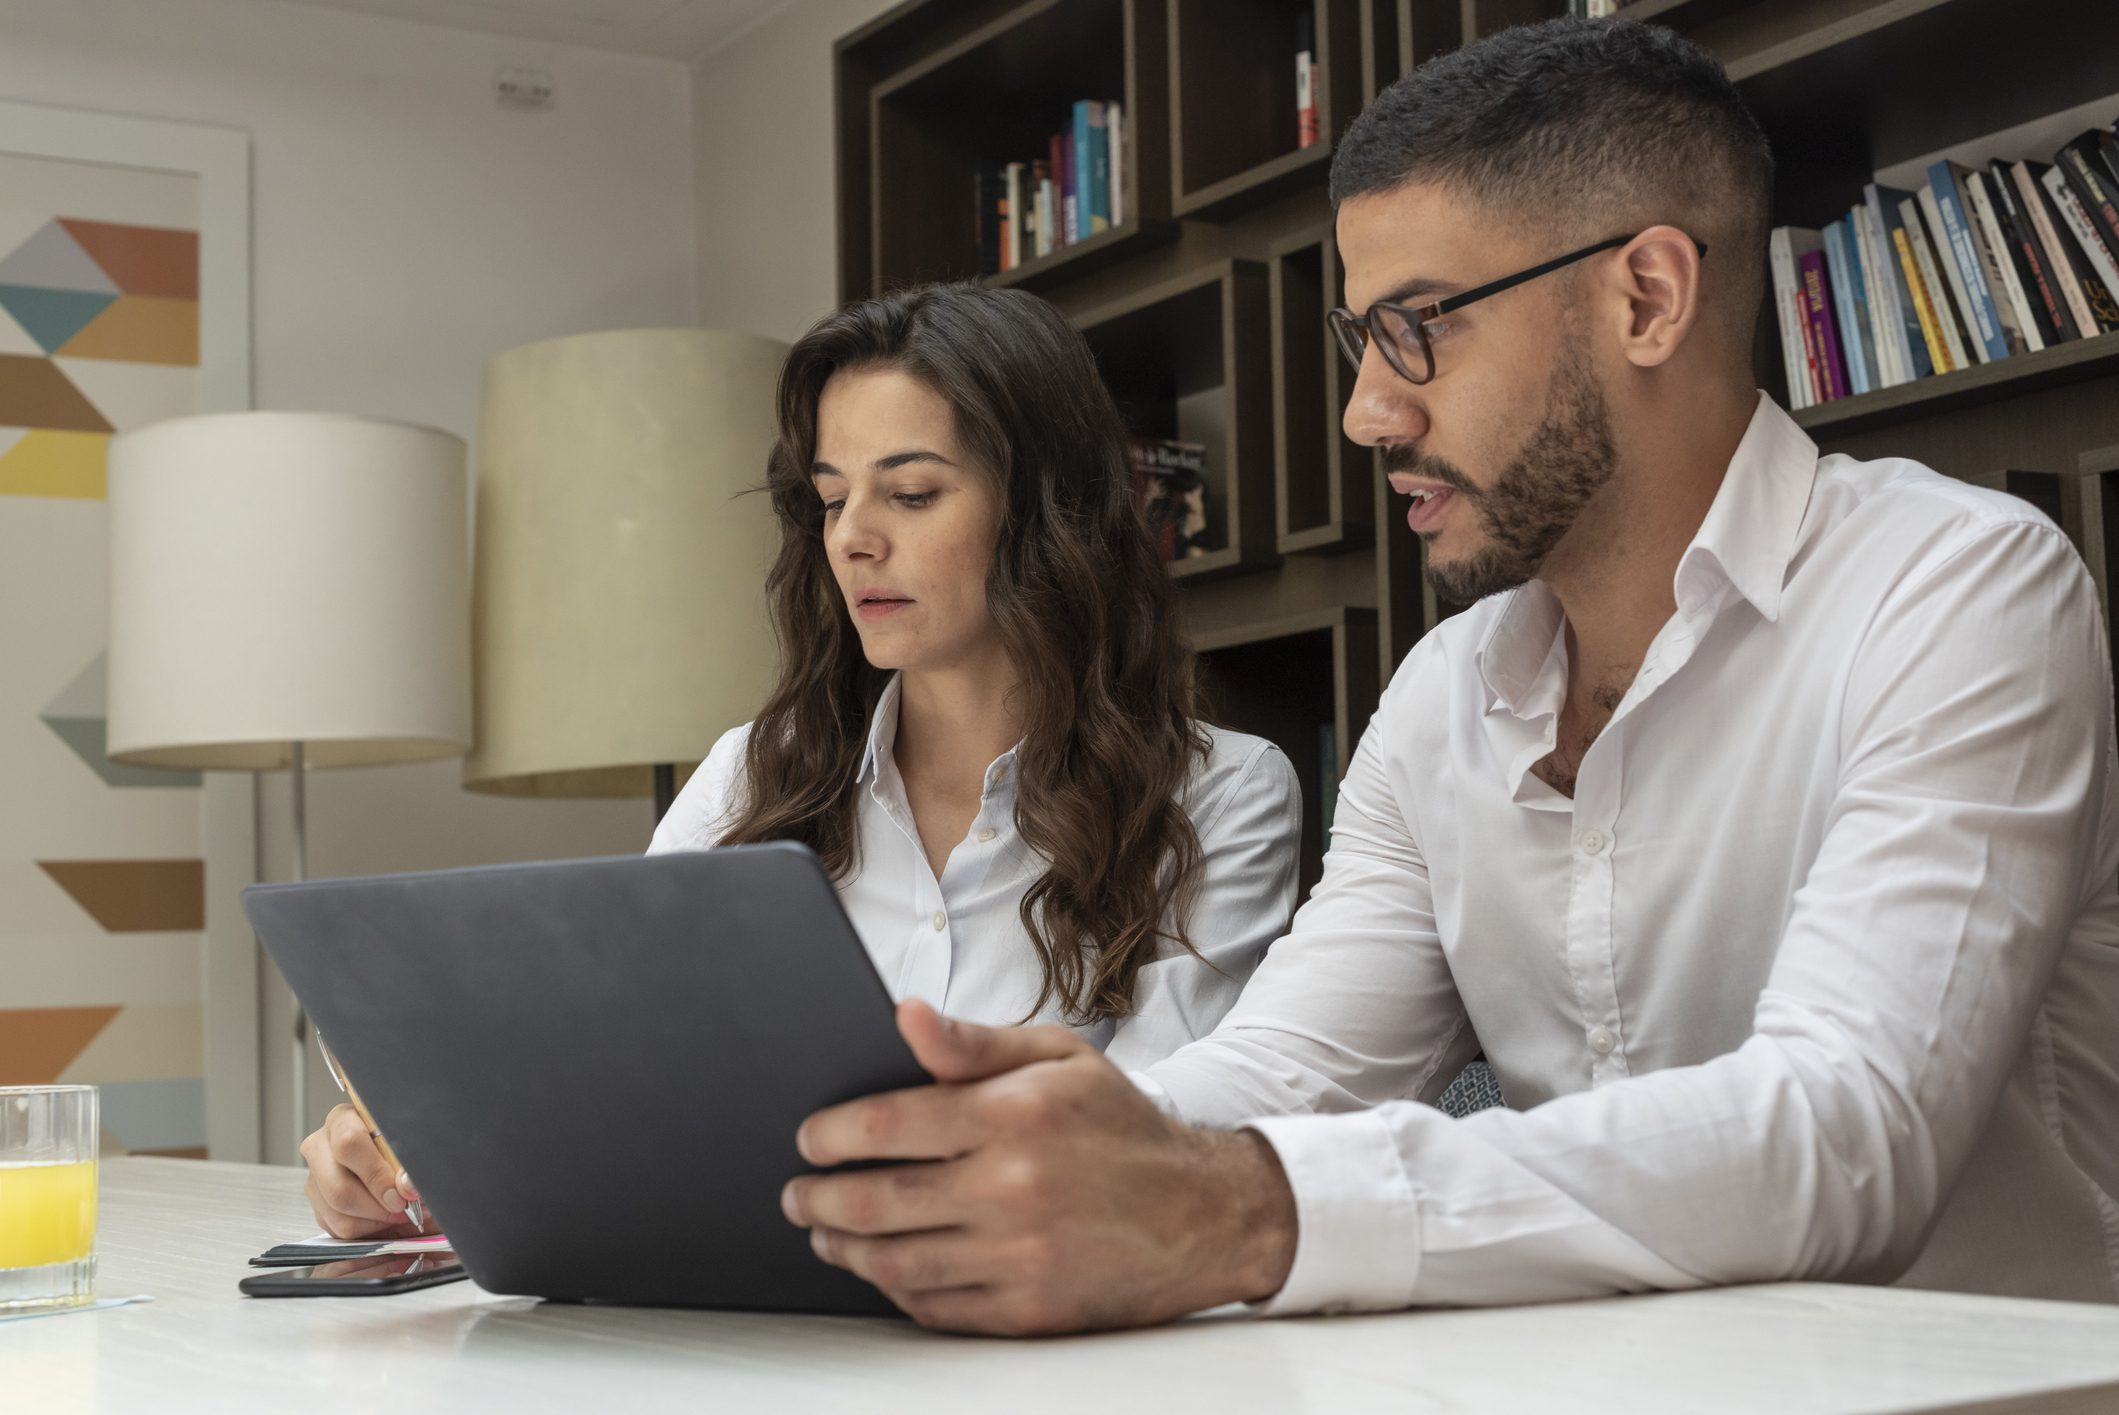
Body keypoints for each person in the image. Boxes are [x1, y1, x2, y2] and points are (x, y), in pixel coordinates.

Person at [778, 17, 2119, 1334]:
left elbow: (1847, 1126)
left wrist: (1235, 1209)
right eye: (1357, 338)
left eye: (1419, 327)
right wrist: (1017, 1148)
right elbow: (1292, 1068)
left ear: (1642, 296)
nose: (1368, 409)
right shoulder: (1438, 694)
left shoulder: (1957, 588)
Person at [298, 283, 1302, 1240]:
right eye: (830, 499)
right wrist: (408, 1138)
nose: (854, 538)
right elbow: (603, 1054)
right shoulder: (752, 775)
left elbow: (1174, 1132)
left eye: (910, 492)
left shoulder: (1219, 795)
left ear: (1049, 509)